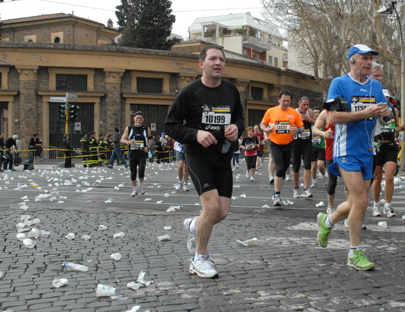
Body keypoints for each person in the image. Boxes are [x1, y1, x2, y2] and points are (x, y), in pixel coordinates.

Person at [165, 45, 244, 279]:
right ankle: (199, 259)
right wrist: (196, 134)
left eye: (221, 59)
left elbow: (239, 118)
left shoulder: (231, 91)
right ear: (202, 64)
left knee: (222, 211)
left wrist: (235, 129)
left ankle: (193, 225)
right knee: (210, 207)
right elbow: (170, 126)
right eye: (212, 59)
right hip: (197, 155)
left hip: (223, 155)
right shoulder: (189, 93)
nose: (218, 62)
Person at [316, 44, 391, 271]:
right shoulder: (339, 84)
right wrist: (364, 113)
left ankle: (326, 221)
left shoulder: (375, 86)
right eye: (363, 59)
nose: (368, 63)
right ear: (351, 60)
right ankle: (354, 253)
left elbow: (384, 117)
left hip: (367, 151)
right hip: (345, 150)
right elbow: (335, 118)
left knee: (353, 203)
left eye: (370, 59)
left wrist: (387, 115)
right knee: (361, 200)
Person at [260, 90, 303, 206]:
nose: (286, 103)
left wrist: (297, 130)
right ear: (278, 100)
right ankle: (277, 195)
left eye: (288, 101)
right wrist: (265, 129)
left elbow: (302, 127)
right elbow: (262, 124)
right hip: (275, 143)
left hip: (288, 144)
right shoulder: (271, 111)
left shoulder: (294, 113)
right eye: (284, 101)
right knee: (279, 168)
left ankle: (277, 193)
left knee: (283, 169)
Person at [372, 89, 401, 218]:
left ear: (389, 99)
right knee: (377, 177)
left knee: (389, 176)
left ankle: (388, 206)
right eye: (383, 97)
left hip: (390, 145)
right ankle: (376, 204)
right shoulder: (375, 109)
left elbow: (396, 127)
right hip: (378, 144)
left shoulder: (394, 110)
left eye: (387, 98)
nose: (385, 100)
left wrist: (402, 128)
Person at [312, 103, 337, 214]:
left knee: (349, 183)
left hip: (347, 152)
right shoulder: (326, 113)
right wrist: (324, 133)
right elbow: (315, 129)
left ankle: (351, 209)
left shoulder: (349, 110)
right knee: (332, 182)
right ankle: (330, 206)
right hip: (331, 152)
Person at [121, 112, 152, 197]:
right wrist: (128, 142)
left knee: (141, 170)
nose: (139, 120)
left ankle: (141, 185)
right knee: (133, 172)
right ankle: (134, 188)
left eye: (141, 118)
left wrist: (148, 147)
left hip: (142, 153)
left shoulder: (146, 128)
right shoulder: (129, 128)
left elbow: (151, 139)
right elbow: (122, 139)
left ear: (143, 120)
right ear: (134, 119)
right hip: (132, 153)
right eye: (137, 118)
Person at [291, 96, 316, 198]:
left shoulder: (310, 112)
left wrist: (308, 119)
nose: (305, 107)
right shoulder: (293, 112)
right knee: (296, 166)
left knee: (307, 164)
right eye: (304, 104)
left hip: (307, 142)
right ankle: (296, 188)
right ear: (299, 104)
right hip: (296, 142)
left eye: (307, 104)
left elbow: (318, 122)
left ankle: (306, 188)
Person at [310, 108, 327, 188]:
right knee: (313, 166)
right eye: (315, 112)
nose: (316, 114)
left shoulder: (322, 123)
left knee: (320, 165)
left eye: (318, 112)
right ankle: (314, 181)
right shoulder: (310, 124)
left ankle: (324, 176)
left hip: (321, 146)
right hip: (312, 147)